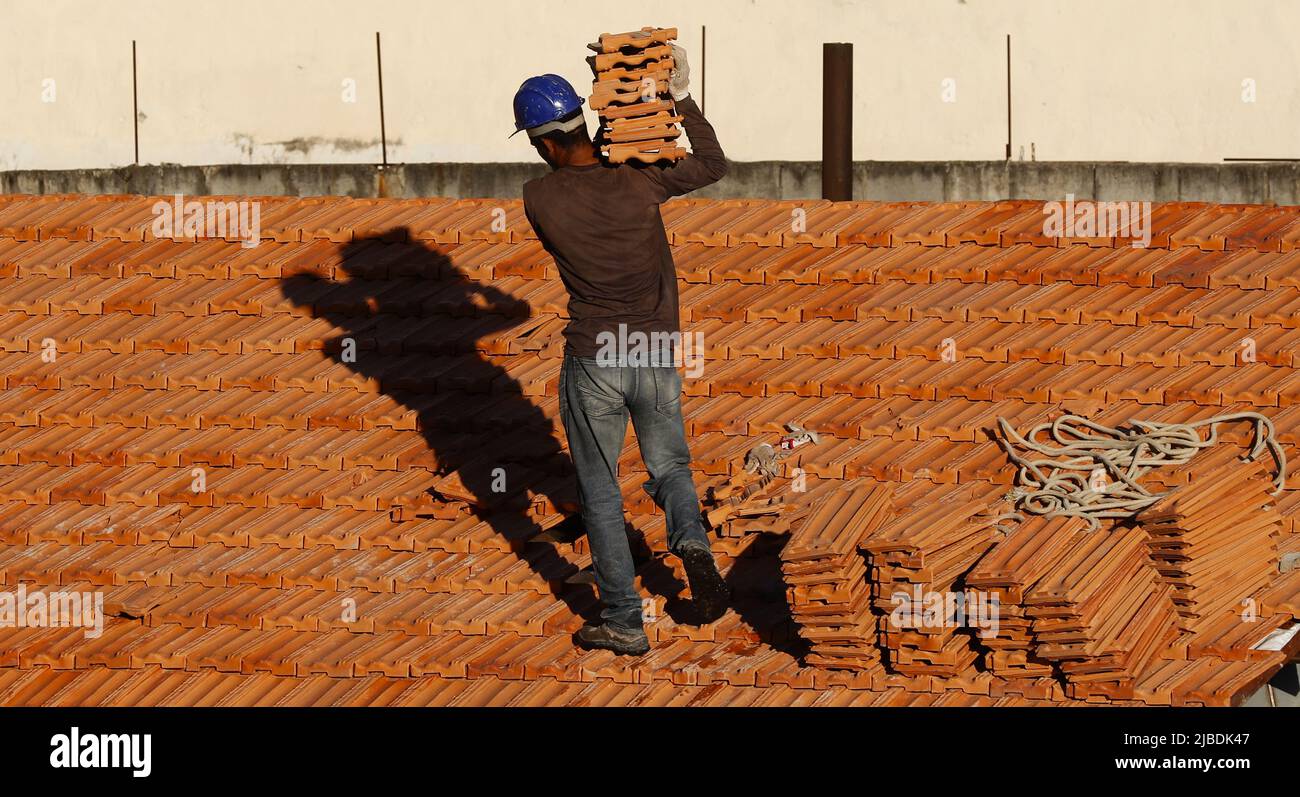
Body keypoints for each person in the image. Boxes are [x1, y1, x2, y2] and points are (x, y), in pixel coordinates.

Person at [514, 46, 729, 655]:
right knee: (671, 469)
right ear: (583, 119)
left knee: (601, 488)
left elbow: (578, 178)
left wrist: (615, 134)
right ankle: (690, 542)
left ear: (542, 143)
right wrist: (673, 99)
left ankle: (623, 621)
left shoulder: (540, 199)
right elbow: (713, 163)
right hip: (654, 348)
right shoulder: (639, 177)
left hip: (594, 358)